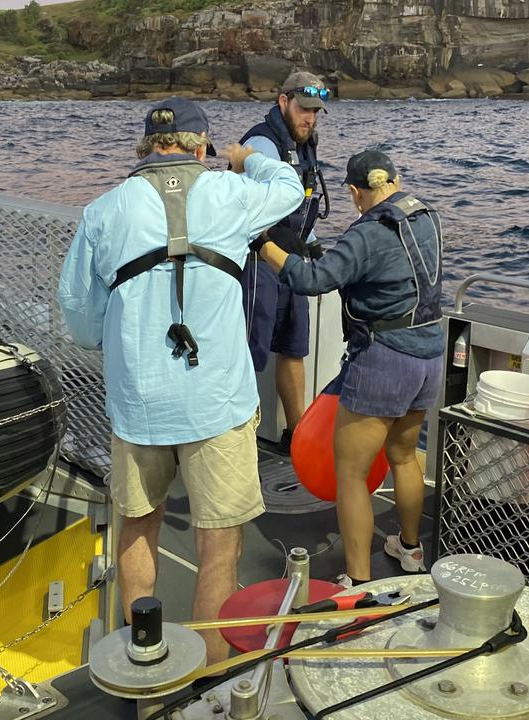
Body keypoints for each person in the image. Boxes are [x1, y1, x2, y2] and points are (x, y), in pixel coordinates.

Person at [58, 98, 304, 663]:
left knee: (140, 526)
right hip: (217, 402)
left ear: (147, 145)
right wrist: (248, 158)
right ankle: (210, 677)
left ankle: (145, 660)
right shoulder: (231, 193)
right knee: (218, 541)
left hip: (139, 403)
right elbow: (291, 188)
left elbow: (78, 313)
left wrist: (115, 338)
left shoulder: (104, 211)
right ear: (201, 145)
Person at [255, 149, 444, 587]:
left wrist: (265, 247)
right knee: (402, 455)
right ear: (394, 181)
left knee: (352, 475)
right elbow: (388, 270)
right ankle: (410, 549)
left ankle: (358, 582)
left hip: (384, 361)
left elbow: (312, 281)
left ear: (357, 192)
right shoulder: (426, 215)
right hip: (429, 354)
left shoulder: (367, 232)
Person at [239, 70, 332, 452]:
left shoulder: (303, 142)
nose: (309, 118)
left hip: (292, 259)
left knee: (293, 347)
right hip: (260, 261)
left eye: (315, 111)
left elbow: (303, 207)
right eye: (303, 109)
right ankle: (237, 440)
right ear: (283, 102)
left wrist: (313, 247)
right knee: (251, 350)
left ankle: (298, 436)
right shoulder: (262, 143)